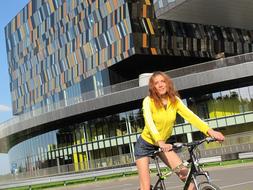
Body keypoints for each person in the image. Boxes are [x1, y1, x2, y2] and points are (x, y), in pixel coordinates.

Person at [135, 71, 225, 190]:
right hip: (145, 145)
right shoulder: (148, 101)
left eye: (163, 81)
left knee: (188, 179)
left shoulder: (175, 101)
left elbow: (191, 116)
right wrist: (160, 142)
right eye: (156, 83)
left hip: (163, 144)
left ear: (168, 84)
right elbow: (149, 123)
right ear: (153, 87)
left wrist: (210, 131)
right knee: (145, 187)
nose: (161, 85)